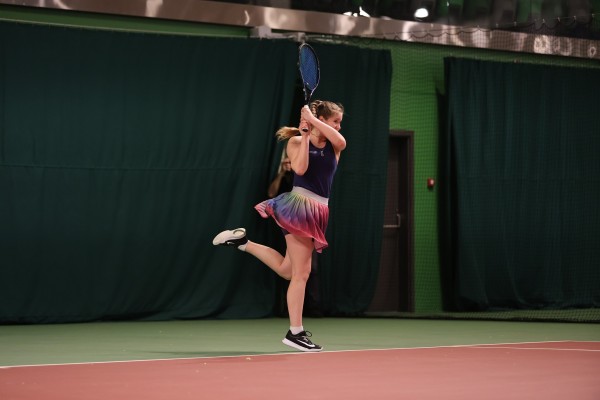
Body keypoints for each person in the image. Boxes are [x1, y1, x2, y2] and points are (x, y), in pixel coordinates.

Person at [213, 100, 346, 352]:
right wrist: (305, 135)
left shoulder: (335, 145)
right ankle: (295, 333)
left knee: (287, 270)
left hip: (319, 210)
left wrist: (311, 120)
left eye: (340, 122)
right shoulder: (295, 142)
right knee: (301, 274)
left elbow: (341, 141)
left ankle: (242, 242)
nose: (339, 126)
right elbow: (300, 169)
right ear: (322, 120)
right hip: (299, 207)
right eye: (335, 121)